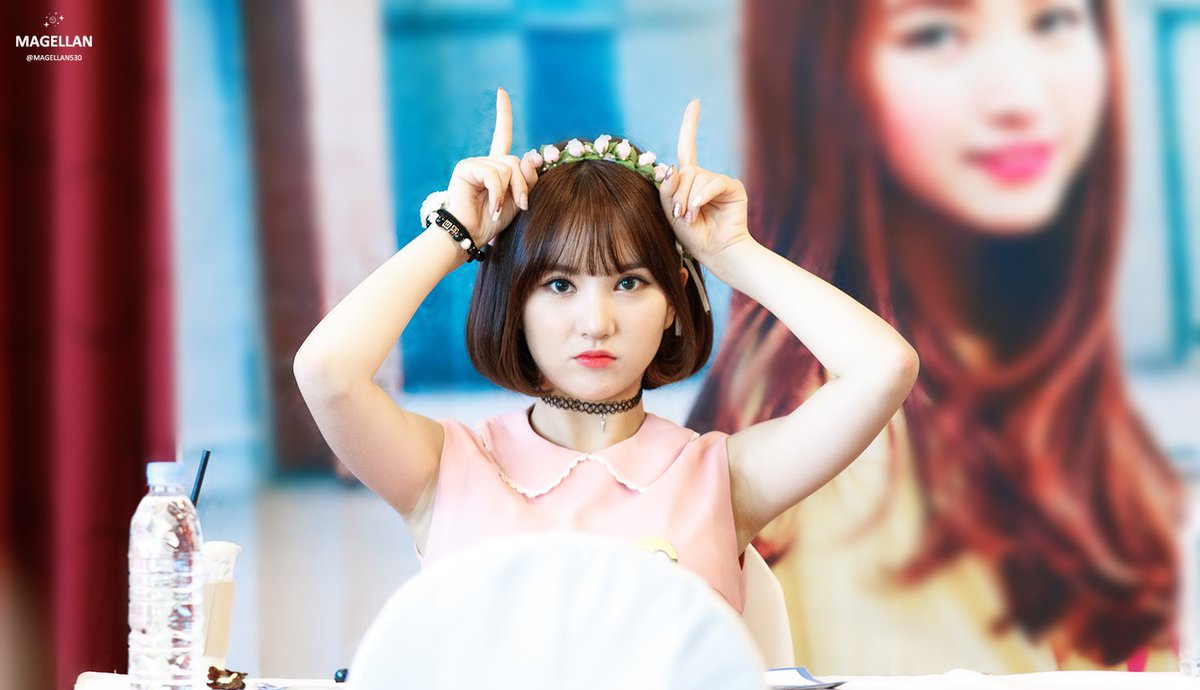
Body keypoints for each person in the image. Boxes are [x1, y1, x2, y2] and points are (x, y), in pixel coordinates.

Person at [688, 0, 1182, 669]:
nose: (1021, 98)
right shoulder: (851, 437)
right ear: (824, 74)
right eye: (936, 34)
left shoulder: (1029, 373)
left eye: (1053, 23)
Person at [293, 88, 918, 614]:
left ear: (672, 302)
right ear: (516, 303)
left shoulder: (726, 480)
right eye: (559, 285)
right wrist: (454, 234)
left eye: (629, 283)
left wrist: (731, 253)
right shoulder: (443, 469)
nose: (596, 323)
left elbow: (883, 369)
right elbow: (326, 373)